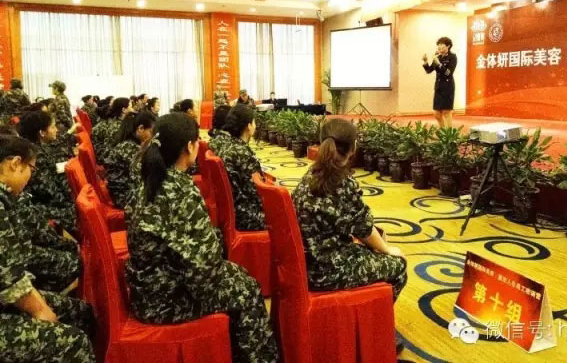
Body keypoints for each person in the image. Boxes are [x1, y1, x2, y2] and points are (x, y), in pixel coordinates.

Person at [126, 113, 278, 363]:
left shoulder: (149, 179)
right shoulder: (180, 192)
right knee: (247, 291)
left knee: (238, 275)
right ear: (190, 146)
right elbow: (204, 275)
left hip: (148, 290)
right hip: (165, 301)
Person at [0, 135, 95, 363]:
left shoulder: (6, 197)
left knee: (81, 313)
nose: (31, 176)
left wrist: (39, 304)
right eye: (30, 169)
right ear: (15, 163)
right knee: (75, 343)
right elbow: (8, 277)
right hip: (6, 300)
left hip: (8, 296)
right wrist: (39, 310)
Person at [291, 118, 407, 300]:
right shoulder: (342, 183)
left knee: (373, 247)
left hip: (302, 265)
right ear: (353, 148)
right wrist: (387, 249)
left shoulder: (310, 175)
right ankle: (370, 315)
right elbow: (364, 230)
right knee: (398, 265)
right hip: (327, 271)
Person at [0, 125, 80, 292]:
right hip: (18, 274)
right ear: (15, 163)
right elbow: (16, 265)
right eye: (31, 168)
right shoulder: (7, 198)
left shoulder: (9, 193)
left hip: (22, 263)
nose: (56, 129)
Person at [17, 111, 77, 232]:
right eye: (53, 127)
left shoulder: (39, 148)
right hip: (41, 205)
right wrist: (73, 201)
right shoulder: (34, 155)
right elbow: (49, 192)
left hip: (47, 201)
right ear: (42, 132)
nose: (57, 130)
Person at [216, 105, 265, 230]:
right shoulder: (243, 154)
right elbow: (259, 193)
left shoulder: (227, 146)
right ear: (249, 126)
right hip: (247, 216)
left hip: (233, 211)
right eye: (254, 122)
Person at [104, 112, 154, 210]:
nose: (152, 136)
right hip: (124, 197)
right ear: (141, 129)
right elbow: (141, 177)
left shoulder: (130, 143)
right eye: (151, 132)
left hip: (124, 191)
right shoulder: (130, 148)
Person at [422, 36, 457, 128]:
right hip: (438, 88)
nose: (439, 47)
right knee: (436, 113)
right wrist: (425, 62)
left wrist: (439, 63)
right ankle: (443, 130)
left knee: (446, 112)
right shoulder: (438, 57)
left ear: (448, 46)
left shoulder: (452, 57)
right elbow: (429, 70)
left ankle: (448, 134)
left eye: (441, 45)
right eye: (438, 45)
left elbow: (448, 73)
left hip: (448, 88)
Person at [91, 97, 132, 164]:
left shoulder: (115, 121)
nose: (132, 109)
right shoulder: (118, 127)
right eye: (131, 107)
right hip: (111, 161)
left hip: (108, 155)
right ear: (124, 110)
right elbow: (119, 149)